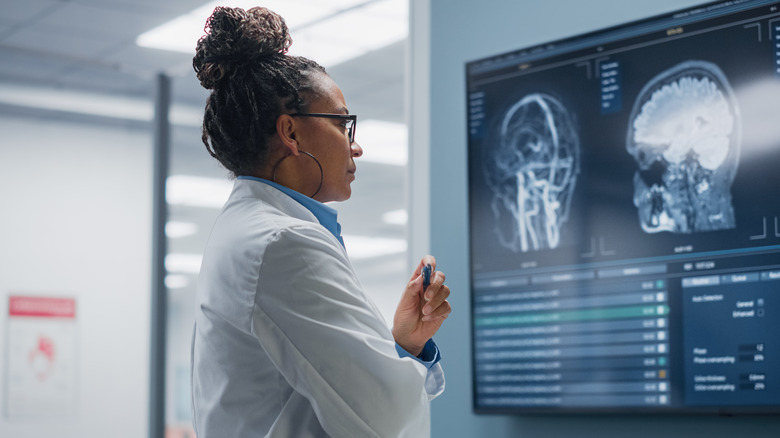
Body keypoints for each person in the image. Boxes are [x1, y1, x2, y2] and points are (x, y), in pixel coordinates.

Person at [190, 6, 452, 438]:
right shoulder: (282, 242)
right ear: (291, 133)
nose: (356, 147)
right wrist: (401, 364)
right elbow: (383, 420)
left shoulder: (249, 229)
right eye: (342, 123)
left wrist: (404, 345)